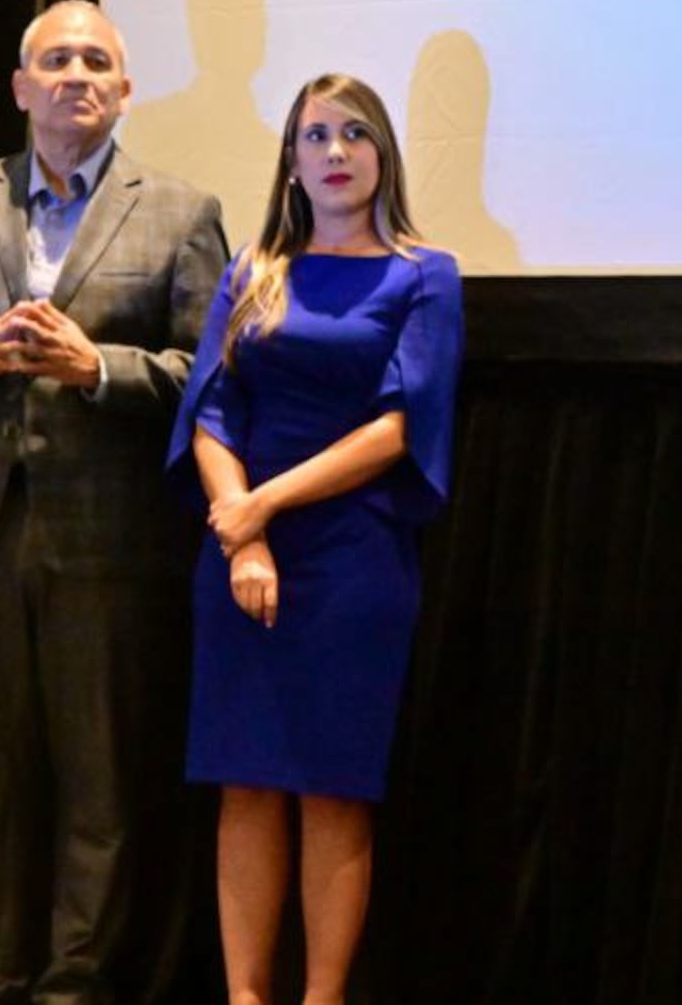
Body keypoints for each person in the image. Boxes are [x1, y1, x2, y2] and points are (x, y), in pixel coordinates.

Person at [0, 0, 227, 1002]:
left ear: (124, 91)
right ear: (20, 86)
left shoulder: (182, 210)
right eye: (56, 59)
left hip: (109, 540)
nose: (77, 74)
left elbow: (206, 377)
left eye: (98, 61)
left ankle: (77, 981)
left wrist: (97, 368)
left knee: (99, 780)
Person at [168, 74, 463, 1005]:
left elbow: (397, 428)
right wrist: (242, 537)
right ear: (290, 163)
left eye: (355, 134)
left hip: (353, 561)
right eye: (315, 137)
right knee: (244, 783)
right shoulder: (251, 271)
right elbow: (211, 412)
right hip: (239, 558)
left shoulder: (424, 275)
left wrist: (263, 510)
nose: (335, 152)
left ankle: (322, 997)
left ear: (383, 154)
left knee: (332, 788)